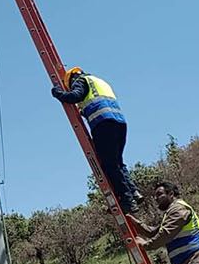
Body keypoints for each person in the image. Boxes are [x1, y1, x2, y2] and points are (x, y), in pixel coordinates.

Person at [51, 67, 139, 214]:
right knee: (117, 162)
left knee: (109, 164)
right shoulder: (99, 81)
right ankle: (134, 192)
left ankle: (127, 201)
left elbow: (75, 96)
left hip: (103, 123)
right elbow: (97, 101)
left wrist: (58, 93)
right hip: (119, 122)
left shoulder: (80, 81)